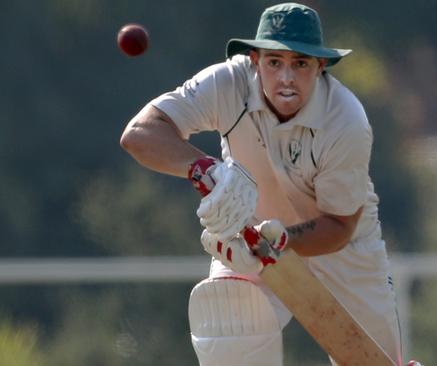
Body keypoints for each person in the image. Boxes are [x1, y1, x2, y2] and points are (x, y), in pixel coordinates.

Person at [120, 2, 402, 365]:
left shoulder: (345, 120)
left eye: (300, 63)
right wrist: (204, 168)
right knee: (229, 321)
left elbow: (340, 225)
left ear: (320, 67)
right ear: (254, 60)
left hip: (341, 247)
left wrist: (281, 241)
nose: (286, 77)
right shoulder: (227, 83)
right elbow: (140, 134)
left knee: (374, 361)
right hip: (246, 236)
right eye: (274, 62)